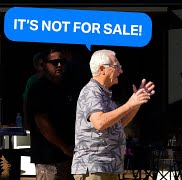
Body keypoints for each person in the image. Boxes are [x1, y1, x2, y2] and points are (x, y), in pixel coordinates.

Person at [71, 49, 155, 180]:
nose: (121, 71)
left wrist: (136, 103)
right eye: (117, 67)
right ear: (101, 69)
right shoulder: (91, 92)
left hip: (106, 167)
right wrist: (129, 104)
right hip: (95, 167)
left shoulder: (103, 93)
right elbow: (99, 122)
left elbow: (118, 124)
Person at [26, 47, 75, 179]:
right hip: (48, 158)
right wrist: (64, 147)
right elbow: (42, 122)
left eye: (62, 61)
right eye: (54, 62)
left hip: (67, 157)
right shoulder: (38, 88)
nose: (59, 65)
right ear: (44, 65)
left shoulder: (65, 86)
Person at [22, 52, 45, 129]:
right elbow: (25, 103)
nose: (44, 67)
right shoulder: (32, 81)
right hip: (35, 122)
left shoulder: (53, 80)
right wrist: (26, 122)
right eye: (41, 65)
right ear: (36, 66)